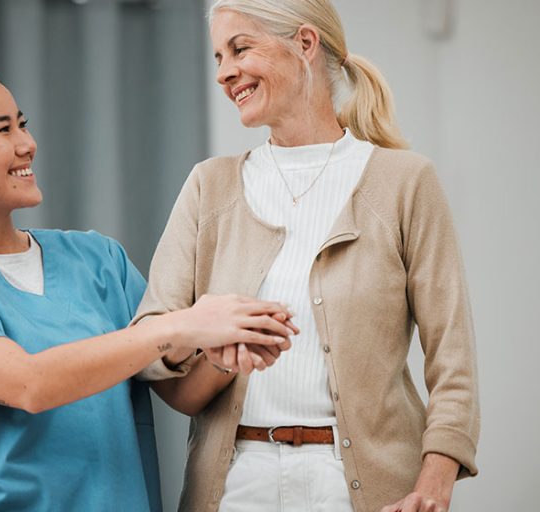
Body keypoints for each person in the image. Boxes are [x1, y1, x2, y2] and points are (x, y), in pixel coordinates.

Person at [0, 67, 297, 511]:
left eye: (22, 124)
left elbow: (181, 392)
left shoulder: (99, 260)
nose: (27, 143)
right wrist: (183, 325)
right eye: (2, 130)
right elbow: (29, 384)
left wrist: (227, 352)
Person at [133, 1, 480, 511]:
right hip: (235, 488)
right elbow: (151, 343)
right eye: (218, 57)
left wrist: (434, 482)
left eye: (240, 48)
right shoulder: (209, 186)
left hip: (365, 490)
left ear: (304, 43)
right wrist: (220, 353)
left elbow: (454, 361)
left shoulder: (405, 182)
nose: (224, 72)